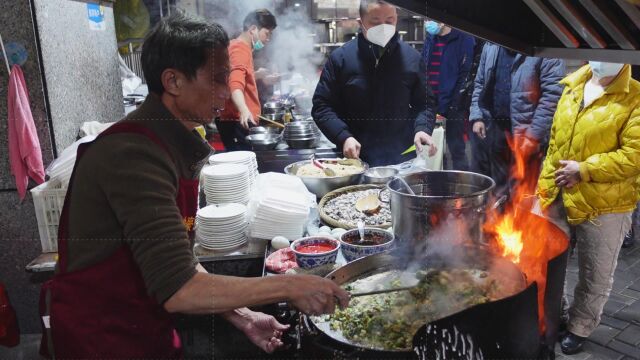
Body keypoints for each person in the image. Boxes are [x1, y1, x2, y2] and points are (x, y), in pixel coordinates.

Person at [39, 13, 349, 359]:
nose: (225, 92)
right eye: (217, 80)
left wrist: (243, 317)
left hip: (142, 327)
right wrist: (290, 286)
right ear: (173, 81)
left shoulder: (166, 143)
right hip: (103, 339)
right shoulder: (133, 156)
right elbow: (180, 288)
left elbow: (179, 261)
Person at [536, 61, 640, 355]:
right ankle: (557, 315)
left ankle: (581, 326)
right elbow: (554, 145)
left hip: (606, 204)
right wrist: (542, 190)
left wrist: (584, 169)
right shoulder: (572, 87)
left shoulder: (635, 97)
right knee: (549, 262)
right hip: (559, 194)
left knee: (596, 271)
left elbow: (635, 154)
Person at [312, 0, 437, 167]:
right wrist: (343, 136)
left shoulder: (412, 58)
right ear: (360, 22)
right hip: (355, 158)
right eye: (375, 21)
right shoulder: (341, 59)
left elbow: (425, 103)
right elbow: (322, 106)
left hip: (401, 158)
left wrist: (422, 128)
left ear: (396, 18)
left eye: (389, 20)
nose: (383, 27)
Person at [469, 44, 564, 196]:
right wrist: (477, 116)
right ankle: (501, 217)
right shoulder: (491, 45)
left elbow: (552, 97)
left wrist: (534, 135)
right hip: (496, 129)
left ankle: (519, 217)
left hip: (527, 134)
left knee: (523, 191)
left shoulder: (545, 48)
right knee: (499, 189)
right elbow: (480, 82)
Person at [216, 9, 280, 151]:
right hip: (238, 120)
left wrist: (259, 76)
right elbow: (235, 82)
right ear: (253, 29)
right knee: (242, 163)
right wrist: (244, 109)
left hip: (236, 119)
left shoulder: (238, 47)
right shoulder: (240, 49)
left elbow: (240, 77)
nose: (268, 39)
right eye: (267, 33)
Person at [423, 20, 475, 170]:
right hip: (431, 105)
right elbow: (423, 67)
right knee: (433, 149)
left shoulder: (464, 39)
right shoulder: (430, 39)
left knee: (456, 149)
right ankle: (438, 185)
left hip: (454, 105)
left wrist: (455, 104)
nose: (427, 23)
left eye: (429, 19)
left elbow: (465, 75)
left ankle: (461, 187)